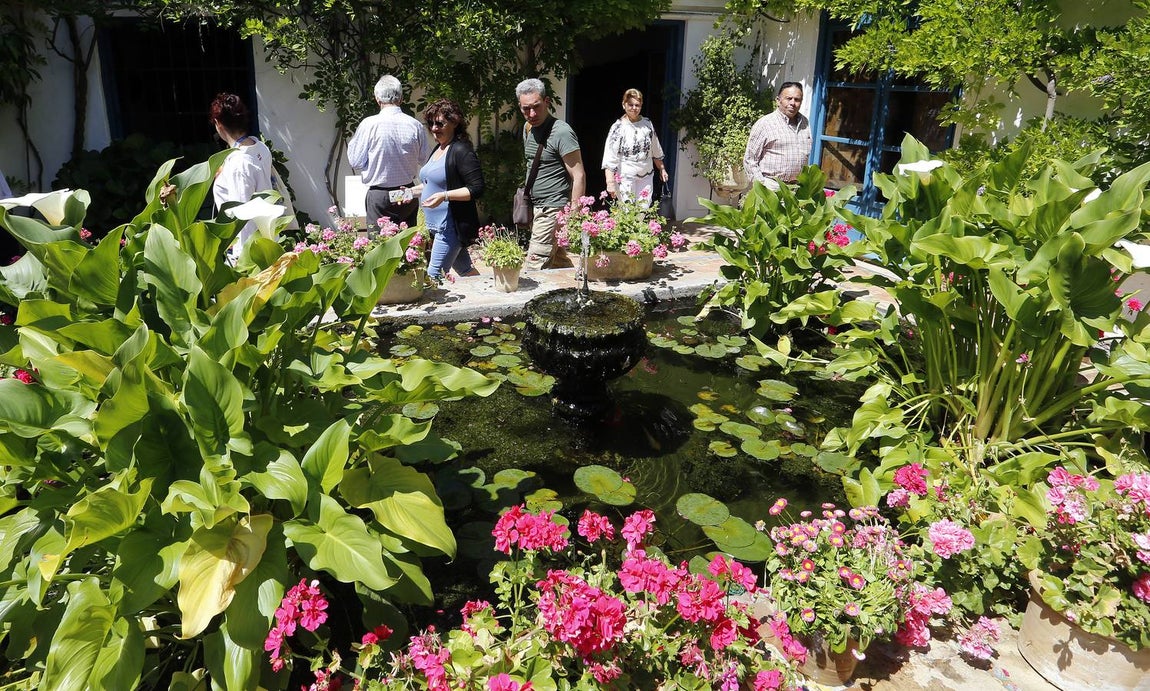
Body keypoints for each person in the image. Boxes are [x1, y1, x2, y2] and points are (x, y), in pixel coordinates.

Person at [516, 78, 586, 270]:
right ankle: (576, 290)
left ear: (546, 102)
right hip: (536, 207)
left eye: (536, 107)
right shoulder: (528, 127)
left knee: (534, 267)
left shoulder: (561, 132)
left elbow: (578, 175)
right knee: (558, 264)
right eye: (525, 109)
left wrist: (573, 215)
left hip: (553, 209)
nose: (532, 113)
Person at [410, 99, 484, 282]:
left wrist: (444, 196)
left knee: (432, 277)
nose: (434, 128)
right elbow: (431, 184)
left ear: (455, 122)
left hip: (450, 228)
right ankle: (488, 300)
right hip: (437, 228)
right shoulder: (439, 148)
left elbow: (477, 188)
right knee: (466, 271)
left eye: (440, 123)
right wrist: (410, 192)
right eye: (431, 124)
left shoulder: (461, 151)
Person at [347, 75, 428, 229]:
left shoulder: (369, 125)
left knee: (381, 247)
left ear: (377, 99)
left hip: (380, 194)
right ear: (401, 98)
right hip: (407, 191)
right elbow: (425, 159)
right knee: (407, 245)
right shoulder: (415, 125)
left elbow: (355, 161)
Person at [210, 92, 274, 250]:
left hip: (251, 250)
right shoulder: (259, 147)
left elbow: (243, 216)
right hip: (268, 237)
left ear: (218, 123)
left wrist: (240, 256)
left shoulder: (238, 163)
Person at [602, 88, 668, 203]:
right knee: (627, 211)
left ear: (641, 105)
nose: (634, 108)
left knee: (644, 208)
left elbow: (655, 149)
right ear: (624, 105)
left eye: (637, 105)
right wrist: (610, 182)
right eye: (630, 105)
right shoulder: (618, 127)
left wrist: (662, 169)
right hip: (625, 176)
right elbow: (610, 156)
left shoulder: (647, 124)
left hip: (646, 175)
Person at [744, 81, 812, 190]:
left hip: (796, 189)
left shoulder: (805, 123)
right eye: (788, 98)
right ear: (778, 100)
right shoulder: (765, 124)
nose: (793, 103)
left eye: (797, 99)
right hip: (771, 187)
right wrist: (762, 186)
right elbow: (750, 159)